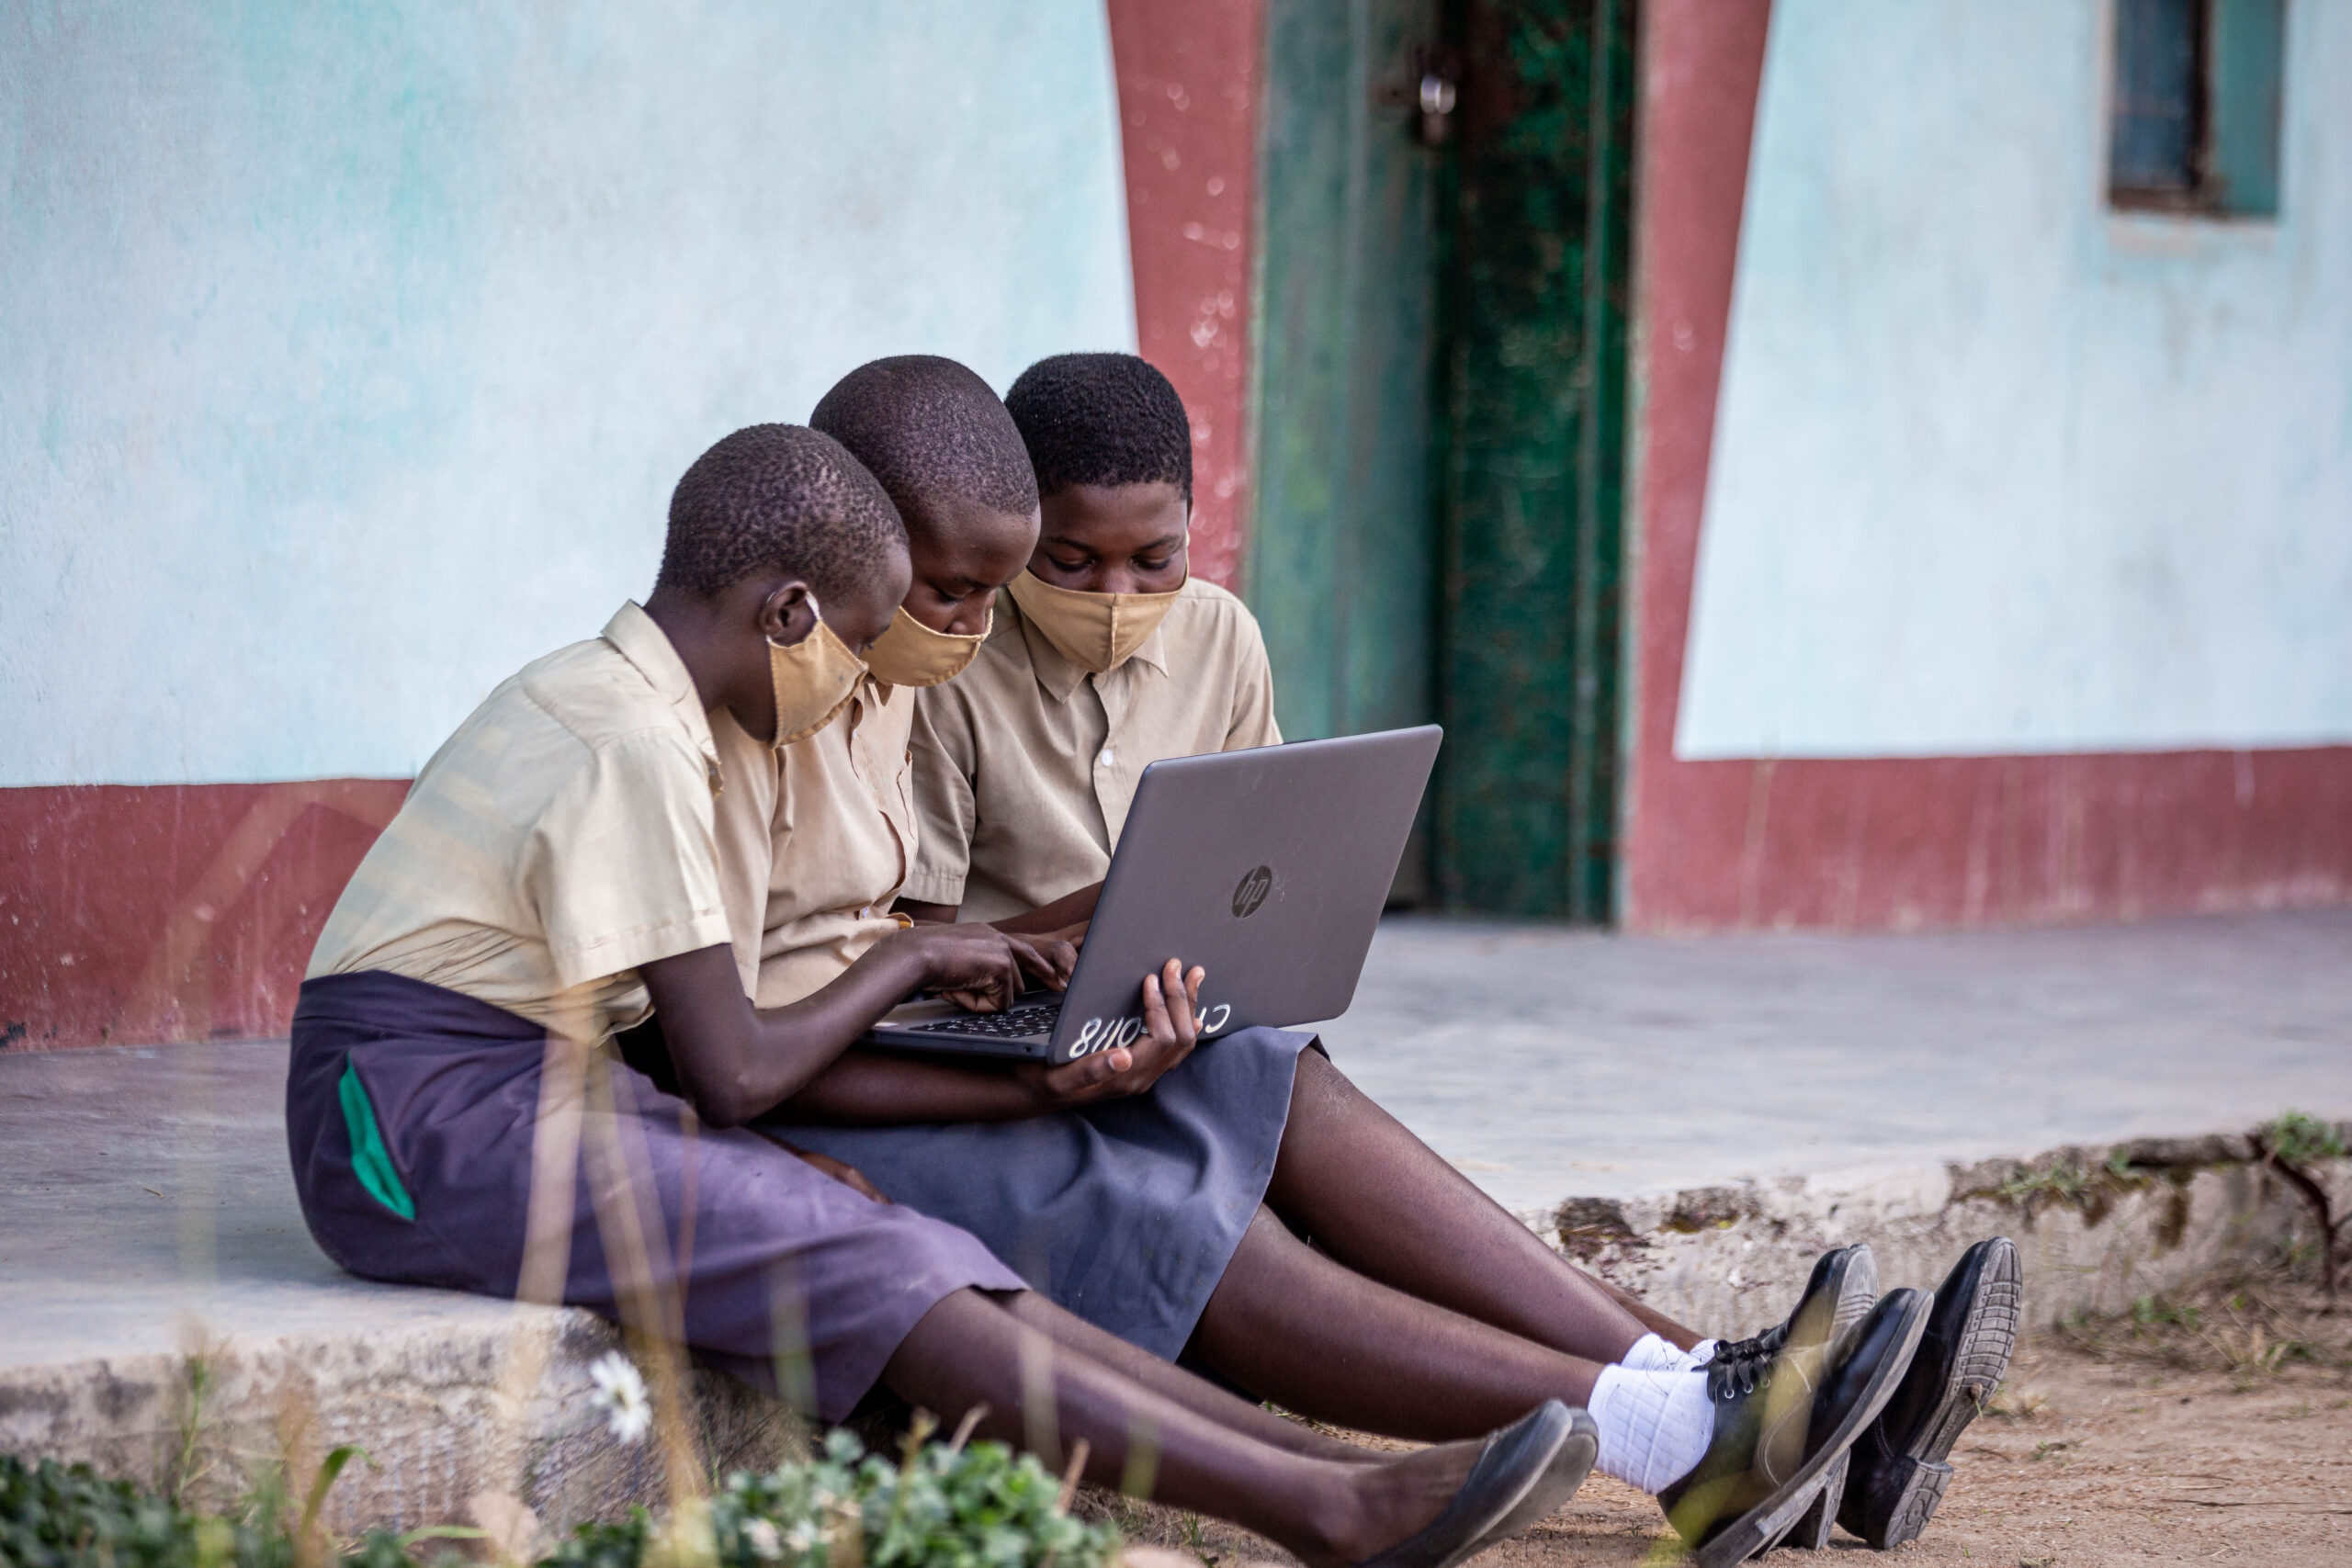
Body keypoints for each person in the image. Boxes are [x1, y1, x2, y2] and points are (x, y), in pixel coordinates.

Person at [627, 363, 1962, 1563]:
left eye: (982, 590)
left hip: (920, 1033)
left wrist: (1084, 948)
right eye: (951, 591)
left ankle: (1730, 1391)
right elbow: (743, 1036)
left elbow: (886, 947)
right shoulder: (759, 700)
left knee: (1253, 1056)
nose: (969, 624)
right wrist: (1026, 1022)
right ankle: (1687, 1425)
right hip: (815, 1084)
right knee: (1164, 1192)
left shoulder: (870, 684)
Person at [285, 423, 1615, 1568]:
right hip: (408, 1123)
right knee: (871, 1255)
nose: (864, 677)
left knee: (925, 1248)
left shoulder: (639, 705)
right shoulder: (636, 739)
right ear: (789, 613)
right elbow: (735, 1068)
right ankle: (1326, 1511)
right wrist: (914, 958)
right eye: (860, 641)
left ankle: (1337, 1489)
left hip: (532, 1082)